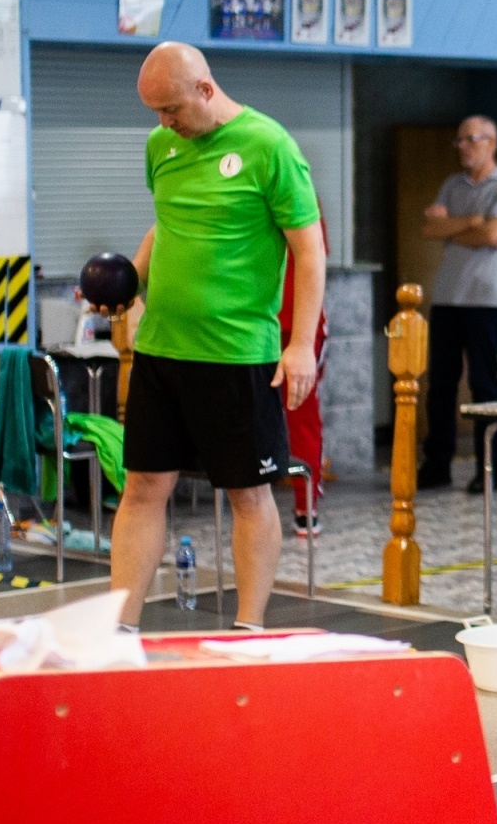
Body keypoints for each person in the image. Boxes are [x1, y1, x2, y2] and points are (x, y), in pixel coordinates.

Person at [96, 42, 325, 632]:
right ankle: (121, 627)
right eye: (155, 113)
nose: (164, 123)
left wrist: (300, 345)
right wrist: (130, 283)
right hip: (161, 349)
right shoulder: (161, 146)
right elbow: (165, 223)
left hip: (235, 355)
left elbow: (308, 247)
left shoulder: (269, 146)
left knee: (248, 494)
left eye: (171, 109)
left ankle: (249, 628)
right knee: (143, 485)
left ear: (205, 88)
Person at [417, 115, 497, 493]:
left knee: (483, 384)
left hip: (487, 299)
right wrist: (473, 222)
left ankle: (488, 469)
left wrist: (461, 226)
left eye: (470, 139)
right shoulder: (452, 184)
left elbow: (494, 234)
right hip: (449, 298)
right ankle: (437, 466)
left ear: (491, 142)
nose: (463, 146)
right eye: (459, 140)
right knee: (441, 386)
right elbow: (430, 229)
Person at [280, 206, 329, 535]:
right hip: (290, 323)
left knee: (299, 414)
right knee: (302, 414)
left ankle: (305, 503)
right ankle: (305, 506)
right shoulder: (302, 197)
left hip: (266, 322)